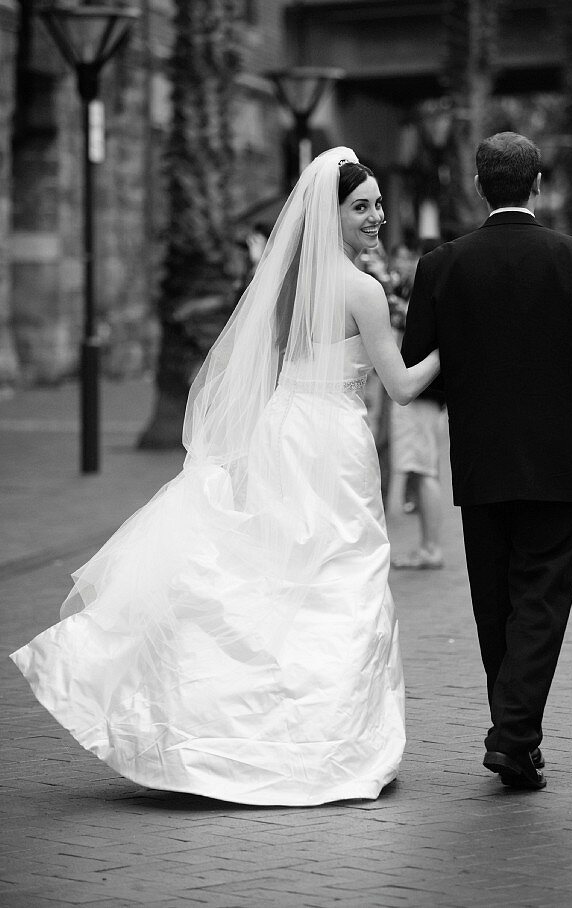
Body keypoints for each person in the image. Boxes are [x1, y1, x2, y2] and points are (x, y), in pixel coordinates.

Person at [11, 147, 439, 807]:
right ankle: (329, 743)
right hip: (332, 440)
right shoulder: (361, 290)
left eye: (379, 205)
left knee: (276, 579)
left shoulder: (287, 279)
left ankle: (236, 728)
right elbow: (404, 387)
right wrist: (456, 344)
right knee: (340, 579)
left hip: (283, 432)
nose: (376, 216)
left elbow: (258, 372)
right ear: (328, 214)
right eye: (361, 206)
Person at [401, 132, 572, 791]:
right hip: (563, 467)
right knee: (540, 603)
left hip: (482, 464)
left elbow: (423, 368)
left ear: (477, 186)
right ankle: (511, 738)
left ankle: (517, 745)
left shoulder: (442, 266)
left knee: (495, 606)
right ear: (538, 183)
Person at [387, 243, 446, 570]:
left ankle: (431, 547)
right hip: (423, 393)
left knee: (423, 468)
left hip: (421, 393)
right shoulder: (410, 289)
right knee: (422, 468)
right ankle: (428, 545)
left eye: (408, 257)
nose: (403, 263)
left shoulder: (424, 294)